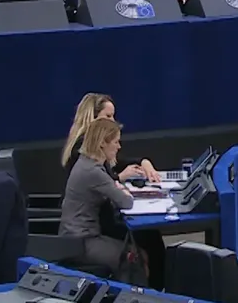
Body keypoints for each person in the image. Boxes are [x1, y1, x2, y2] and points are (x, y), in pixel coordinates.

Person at [60, 95, 165, 288]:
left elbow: (114, 172)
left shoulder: (90, 159)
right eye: (108, 116)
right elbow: (125, 200)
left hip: (86, 230)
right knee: (137, 254)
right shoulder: (90, 166)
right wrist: (118, 184)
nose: (118, 146)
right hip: (84, 238)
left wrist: (121, 178)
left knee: (147, 240)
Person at [58, 118, 136, 277]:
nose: (119, 147)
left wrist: (117, 188)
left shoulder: (86, 162)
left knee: (136, 251)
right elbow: (126, 202)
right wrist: (124, 191)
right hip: (80, 243)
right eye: (115, 142)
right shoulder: (93, 171)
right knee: (133, 257)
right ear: (102, 143)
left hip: (79, 236)